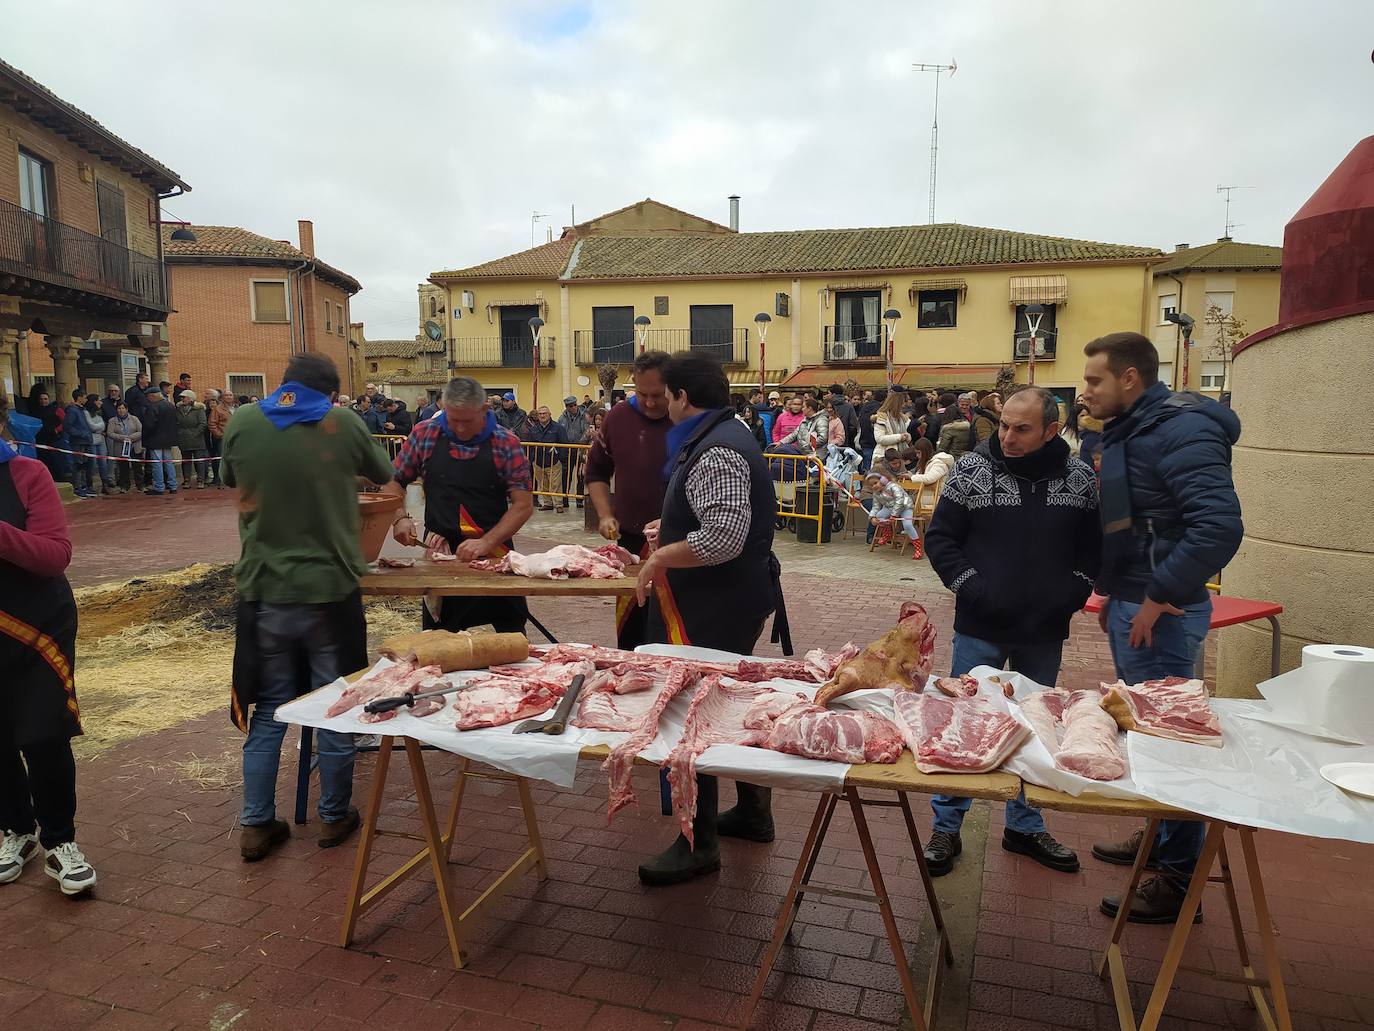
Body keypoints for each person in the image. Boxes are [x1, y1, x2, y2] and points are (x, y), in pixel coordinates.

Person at [1080, 332, 1243, 925]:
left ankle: (1177, 882)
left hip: (1161, 615)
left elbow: (1217, 529)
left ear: (1130, 379)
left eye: (1095, 380)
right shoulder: (1135, 429)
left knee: (1171, 743)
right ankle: (1161, 838)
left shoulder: (1183, 429)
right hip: (1134, 603)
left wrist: (1156, 596)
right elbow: (1132, 519)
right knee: (1146, 734)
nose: (1085, 391)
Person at [923, 386, 1102, 877]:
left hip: (1043, 632)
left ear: (1050, 430)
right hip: (980, 626)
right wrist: (973, 589)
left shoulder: (1079, 477)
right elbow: (940, 538)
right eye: (1004, 425)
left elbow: (1092, 550)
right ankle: (946, 825)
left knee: (1037, 727)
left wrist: (1073, 594)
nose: (1007, 437)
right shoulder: (971, 471)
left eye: (1022, 429)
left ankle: (1024, 826)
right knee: (966, 723)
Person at [222, 353, 395, 861]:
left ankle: (256, 824)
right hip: (328, 591)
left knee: (270, 711)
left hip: (264, 589)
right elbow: (382, 474)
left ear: (284, 385)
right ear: (331, 392)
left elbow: (232, 480)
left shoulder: (242, 420)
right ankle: (333, 816)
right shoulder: (342, 422)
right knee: (335, 709)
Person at [633, 350, 784, 886]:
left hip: (713, 605)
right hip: (727, 599)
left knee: (691, 717)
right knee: (725, 707)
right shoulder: (723, 434)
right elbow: (714, 515)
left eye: (663, 394)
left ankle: (696, 842)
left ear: (682, 397)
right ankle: (752, 813)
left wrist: (659, 557)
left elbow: (722, 536)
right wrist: (669, 526)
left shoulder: (717, 448)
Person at [0, 434, 97, 895]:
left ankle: (60, 841)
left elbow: (54, 555)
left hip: (38, 629)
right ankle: (16, 832)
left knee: (43, 734)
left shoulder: (27, 474)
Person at [386, 377, 535, 634]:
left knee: (512, 634)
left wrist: (486, 543)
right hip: (440, 551)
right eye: (452, 420)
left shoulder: (505, 442)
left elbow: (522, 505)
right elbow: (393, 481)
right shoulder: (425, 434)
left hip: (494, 551)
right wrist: (399, 517)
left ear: (484, 409)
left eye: (467, 421)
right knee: (439, 638)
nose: (459, 429)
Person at [585, 353, 677, 643]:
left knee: (674, 629)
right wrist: (605, 514)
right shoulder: (619, 416)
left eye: (658, 395)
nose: (649, 402)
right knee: (632, 628)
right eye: (642, 394)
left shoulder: (686, 418)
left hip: (679, 542)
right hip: (631, 542)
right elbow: (596, 471)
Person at [864, 473, 922, 559]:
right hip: (890, 508)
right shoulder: (876, 493)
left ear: (883, 480)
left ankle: (918, 549)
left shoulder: (894, 487)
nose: (874, 486)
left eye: (875, 483)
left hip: (905, 507)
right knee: (879, 516)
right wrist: (872, 517)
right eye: (871, 485)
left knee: (908, 525)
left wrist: (893, 515)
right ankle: (887, 533)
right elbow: (875, 506)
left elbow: (900, 500)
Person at [524, 405, 566, 513]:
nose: (542, 416)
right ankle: (547, 503)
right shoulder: (533, 429)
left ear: (550, 414)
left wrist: (560, 458)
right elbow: (530, 445)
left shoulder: (558, 428)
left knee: (556, 485)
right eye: (540, 414)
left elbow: (564, 444)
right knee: (543, 484)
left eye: (544, 413)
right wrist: (532, 459)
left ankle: (558, 504)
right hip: (538, 462)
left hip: (554, 462)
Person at [142, 385, 179, 495]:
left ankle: (159, 486)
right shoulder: (171, 406)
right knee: (169, 463)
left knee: (157, 464)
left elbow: (149, 425)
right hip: (168, 440)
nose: (148, 399)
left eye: (149, 397)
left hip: (155, 440)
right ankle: (173, 485)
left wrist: (146, 437)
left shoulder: (153, 407)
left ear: (153, 396)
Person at [61, 389, 95, 499]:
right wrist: (81, 434)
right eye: (84, 397)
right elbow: (67, 426)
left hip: (85, 441)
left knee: (85, 465)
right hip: (78, 442)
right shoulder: (72, 410)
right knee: (78, 465)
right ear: (79, 398)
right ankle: (78, 487)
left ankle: (84, 487)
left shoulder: (81, 410)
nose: (85, 400)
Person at [556, 396, 589, 508]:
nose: (574, 407)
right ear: (567, 407)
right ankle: (565, 499)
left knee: (580, 475)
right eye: (571, 406)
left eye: (575, 404)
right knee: (566, 475)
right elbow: (559, 431)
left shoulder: (584, 416)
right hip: (567, 449)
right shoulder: (562, 418)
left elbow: (586, 431)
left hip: (581, 449)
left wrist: (581, 444)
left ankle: (579, 499)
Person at [105, 401, 140, 493]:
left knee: (137, 466)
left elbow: (140, 431)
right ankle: (124, 485)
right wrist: (122, 438)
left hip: (134, 445)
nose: (121, 410)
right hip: (121, 446)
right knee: (123, 467)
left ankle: (140, 485)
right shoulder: (112, 421)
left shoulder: (134, 419)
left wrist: (131, 438)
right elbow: (110, 433)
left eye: (123, 408)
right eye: (119, 408)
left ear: (127, 409)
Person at [123, 374, 151, 491]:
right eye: (146, 379)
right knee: (129, 455)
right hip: (133, 426)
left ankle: (146, 480)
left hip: (145, 426)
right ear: (140, 380)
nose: (148, 381)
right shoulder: (132, 392)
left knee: (143, 455)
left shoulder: (148, 392)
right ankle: (125, 483)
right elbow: (128, 406)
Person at [176, 390, 209, 488]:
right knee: (186, 461)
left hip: (197, 439)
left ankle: (200, 480)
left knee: (199, 461)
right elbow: (176, 423)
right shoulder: (178, 409)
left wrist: (195, 433)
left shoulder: (199, 409)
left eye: (184, 397)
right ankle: (186, 480)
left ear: (190, 398)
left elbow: (203, 423)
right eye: (181, 398)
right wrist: (180, 433)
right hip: (183, 438)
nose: (182, 399)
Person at [82, 394, 114, 495]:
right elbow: (91, 426)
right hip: (92, 441)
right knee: (92, 463)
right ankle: (89, 485)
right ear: (94, 401)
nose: (101, 402)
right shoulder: (85, 412)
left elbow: (103, 425)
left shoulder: (98, 413)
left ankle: (105, 485)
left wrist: (99, 427)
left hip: (100, 440)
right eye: (99, 400)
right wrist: (99, 427)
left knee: (103, 463)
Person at [936, 392, 977, 459]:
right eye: (962, 404)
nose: (964, 407)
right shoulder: (952, 413)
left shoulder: (974, 413)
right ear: (958, 403)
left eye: (967, 405)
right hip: (954, 452)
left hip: (970, 449)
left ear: (970, 404)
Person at [208, 390, 235, 488]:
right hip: (223, 439)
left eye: (230, 395)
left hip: (236, 438)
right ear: (222, 398)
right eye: (226, 395)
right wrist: (220, 435)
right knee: (222, 460)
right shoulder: (217, 409)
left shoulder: (237, 408)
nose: (228, 397)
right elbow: (212, 424)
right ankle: (222, 481)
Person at [872, 389, 913, 453]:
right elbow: (879, 438)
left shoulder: (903, 418)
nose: (904, 405)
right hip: (885, 455)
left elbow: (906, 434)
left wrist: (907, 436)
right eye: (902, 403)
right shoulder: (882, 417)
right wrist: (899, 437)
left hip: (901, 454)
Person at [827, 383, 860, 449]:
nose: (827, 395)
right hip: (845, 442)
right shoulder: (848, 406)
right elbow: (853, 425)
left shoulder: (828, 406)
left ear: (833, 394)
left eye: (828, 393)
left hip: (828, 443)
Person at [856, 388, 882, 471]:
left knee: (866, 468)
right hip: (875, 442)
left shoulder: (864, 407)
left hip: (864, 441)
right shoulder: (880, 409)